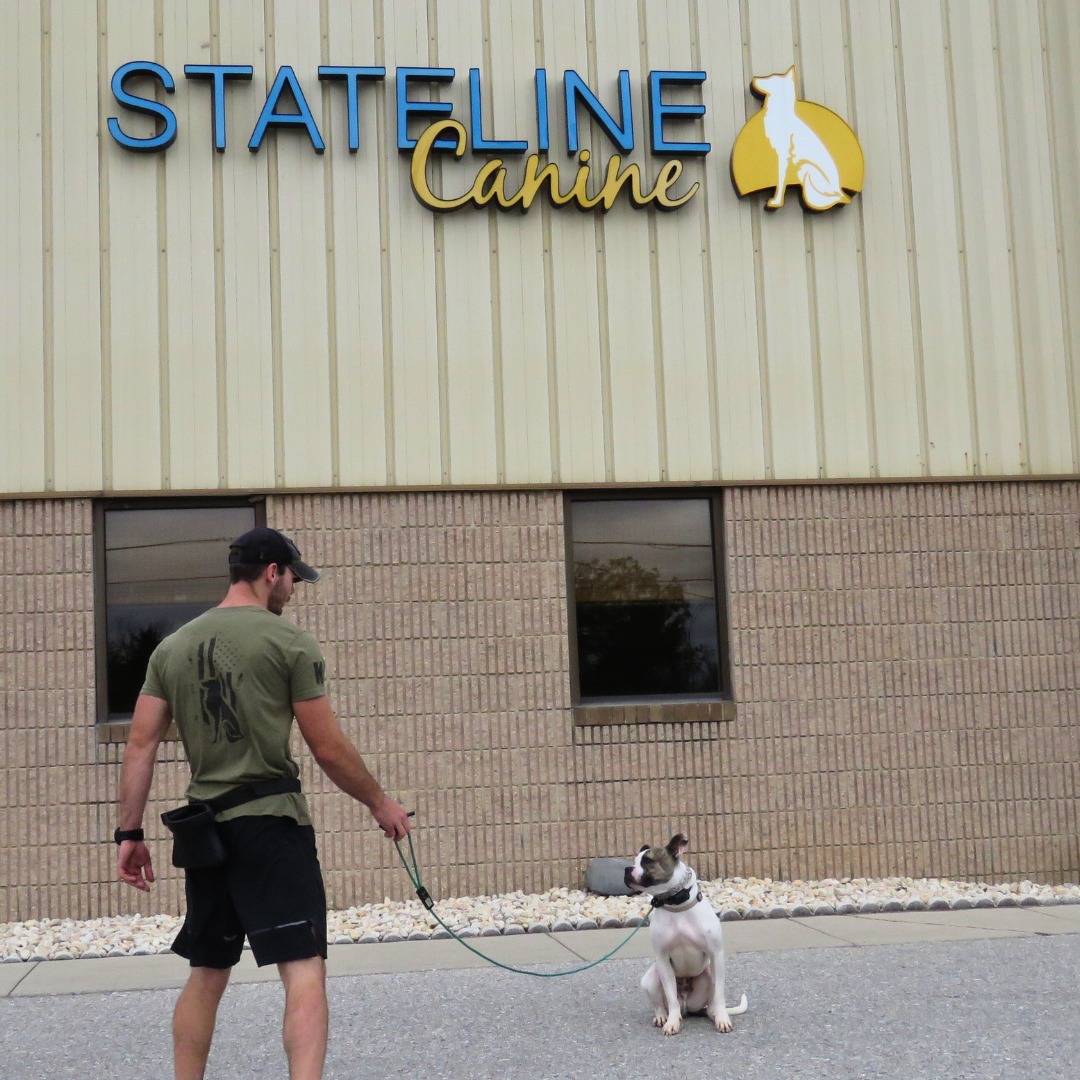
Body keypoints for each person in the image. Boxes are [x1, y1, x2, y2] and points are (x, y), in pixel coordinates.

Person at [115, 525, 412, 1080]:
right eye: (293, 578)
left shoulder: (171, 648)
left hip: (205, 834)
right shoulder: (289, 643)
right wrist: (379, 802)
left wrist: (129, 835)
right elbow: (326, 747)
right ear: (271, 573)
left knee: (208, 970)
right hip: (271, 825)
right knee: (303, 968)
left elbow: (140, 744)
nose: (295, 590)